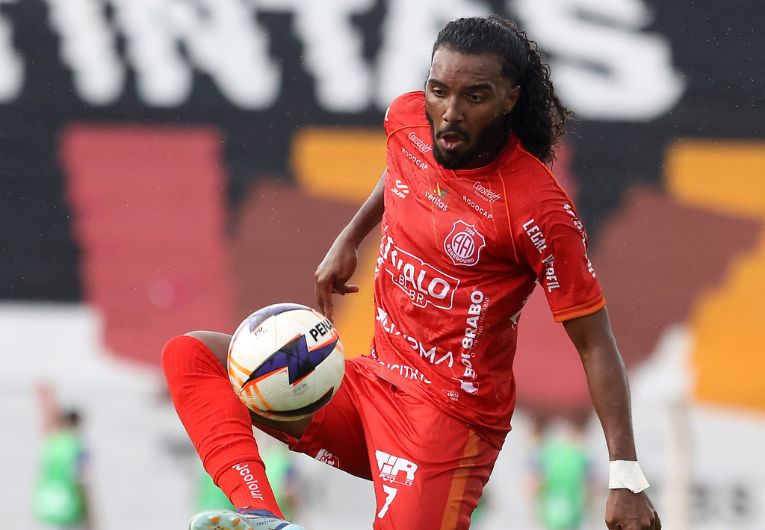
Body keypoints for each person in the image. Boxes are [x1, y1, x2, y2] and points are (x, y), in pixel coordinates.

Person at [162, 15, 661, 530]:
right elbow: (402, 165)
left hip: (447, 425)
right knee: (192, 355)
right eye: (438, 90)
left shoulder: (538, 209)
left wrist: (625, 476)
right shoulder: (407, 119)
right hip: (368, 387)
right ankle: (262, 516)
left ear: (509, 99)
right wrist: (351, 236)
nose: (450, 112)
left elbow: (595, 343)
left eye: (474, 97)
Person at [32, 383, 93, 530]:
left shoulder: (51, 443)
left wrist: (46, 397)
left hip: (47, 506)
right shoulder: (78, 447)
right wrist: (90, 516)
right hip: (70, 509)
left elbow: (46, 425)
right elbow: (82, 482)